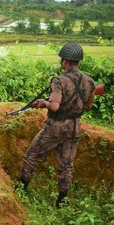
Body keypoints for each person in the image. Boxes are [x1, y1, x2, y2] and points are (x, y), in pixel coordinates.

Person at [16, 42, 96, 208]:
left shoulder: (59, 81)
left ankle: (21, 189)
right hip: (74, 127)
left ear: (65, 61)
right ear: (78, 62)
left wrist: (44, 102)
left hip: (56, 126)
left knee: (32, 155)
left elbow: (54, 106)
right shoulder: (89, 81)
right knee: (66, 165)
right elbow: (88, 106)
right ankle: (62, 202)